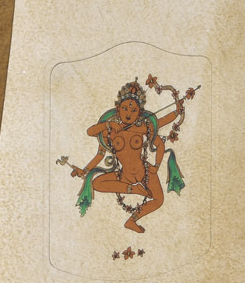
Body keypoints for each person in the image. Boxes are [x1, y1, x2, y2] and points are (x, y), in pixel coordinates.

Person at [71, 78, 183, 232]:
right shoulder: (109, 131)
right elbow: (92, 137)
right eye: (124, 108)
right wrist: (84, 171)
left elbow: (161, 130)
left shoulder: (142, 127)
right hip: (124, 176)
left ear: (139, 112)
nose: (128, 113)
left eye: (133, 110)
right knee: (96, 183)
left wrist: (177, 110)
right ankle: (133, 189)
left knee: (159, 199)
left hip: (145, 172)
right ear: (118, 109)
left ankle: (132, 221)